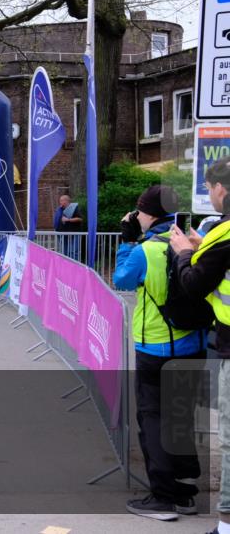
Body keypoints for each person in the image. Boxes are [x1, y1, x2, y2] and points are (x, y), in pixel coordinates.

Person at [113, 185, 206, 521]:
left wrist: (126, 241)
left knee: (153, 419)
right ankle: (185, 494)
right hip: (194, 344)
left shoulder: (147, 249)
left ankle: (163, 498)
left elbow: (122, 279)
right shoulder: (194, 241)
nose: (136, 217)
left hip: (155, 346)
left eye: (139, 212)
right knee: (180, 419)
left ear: (149, 214)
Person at [166, 158, 230, 534]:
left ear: (221, 188)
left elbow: (194, 284)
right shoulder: (218, 239)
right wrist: (203, 248)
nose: (210, 195)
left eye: (210, 188)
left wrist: (185, 254)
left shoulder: (224, 234)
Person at [54, 193, 83, 262]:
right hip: (63, 234)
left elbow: (80, 219)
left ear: (66, 201)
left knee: (74, 252)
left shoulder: (74, 208)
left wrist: (68, 220)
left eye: (61, 200)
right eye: (60, 200)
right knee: (64, 252)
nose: (60, 202)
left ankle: (75, 266)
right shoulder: (60, 209)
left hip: (74, 233)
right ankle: (66, 266)